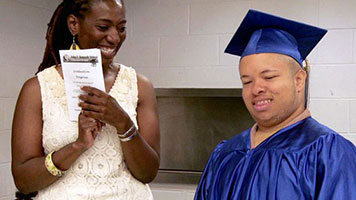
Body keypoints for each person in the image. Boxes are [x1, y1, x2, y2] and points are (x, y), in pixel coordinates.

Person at [195, 9, 356, 200]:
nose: (256, 89)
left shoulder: (330, 154)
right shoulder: (225, 153)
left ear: (298, 80)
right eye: (247, 81)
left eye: (269, 77)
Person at [11, 0, 160, 199]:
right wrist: (77, 146)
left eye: (121, 28)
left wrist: (123, 123)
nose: (115, 38)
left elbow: (148, 173)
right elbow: (24, 181)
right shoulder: (37, 89)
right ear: (74, 24)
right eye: (103, 27)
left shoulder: (140, 86)